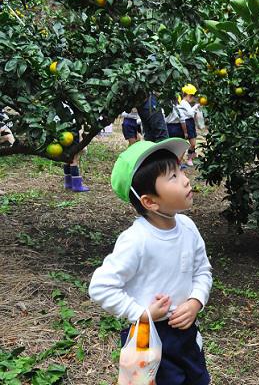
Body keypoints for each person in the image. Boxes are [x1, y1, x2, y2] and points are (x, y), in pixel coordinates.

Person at [88, 138, 212, 385]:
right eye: (173, 177)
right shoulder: (136, 240)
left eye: (180, 171)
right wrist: (142, 314)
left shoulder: (188, 227)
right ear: (150, 202)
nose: (186, 180)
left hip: (185, 331)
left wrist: (196, 300)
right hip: (149, 337)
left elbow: (202, 270)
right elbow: (100, 287)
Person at [166, 84, 199, 167]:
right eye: (192, 95)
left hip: (189, 123)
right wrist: (196, 106)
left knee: (192, 143)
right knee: (190, 143)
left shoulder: (186, 103)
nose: (193, 98)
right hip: (186, 124)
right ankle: (187, 159)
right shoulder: (183, 103)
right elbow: (190, 114)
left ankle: (188, 158)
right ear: (188, 95)